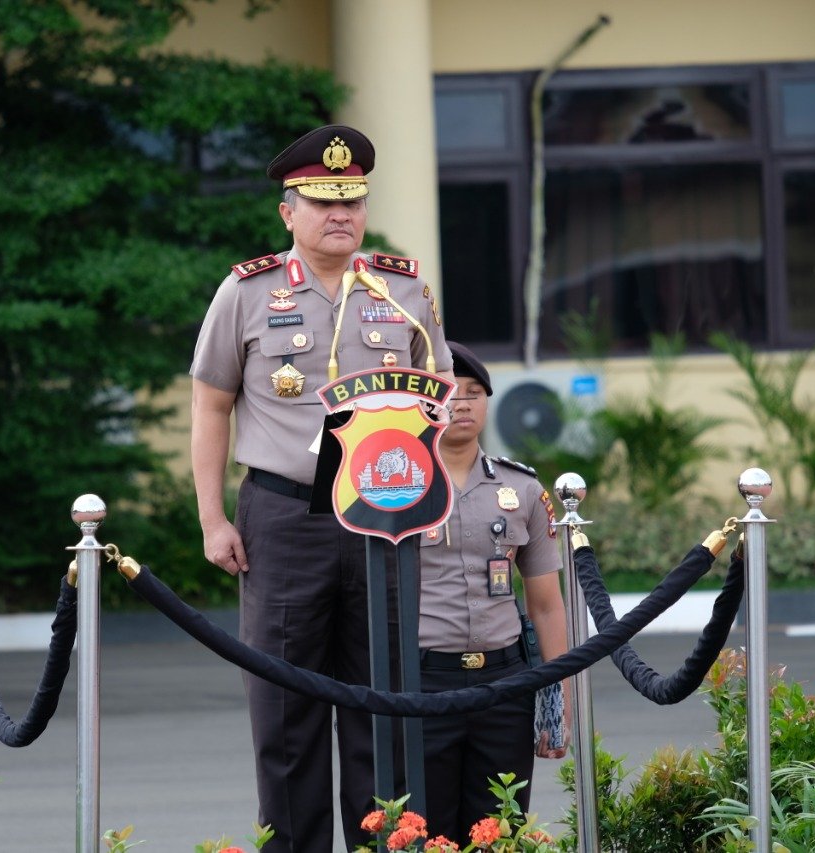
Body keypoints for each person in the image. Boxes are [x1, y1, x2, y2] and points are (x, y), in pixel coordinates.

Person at [189, 124, 453, 853]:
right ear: (288, 211)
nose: (340, 214)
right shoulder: (247, 292)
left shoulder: (400, 290)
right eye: (322, 201)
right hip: (285, 515)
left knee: (383, 702)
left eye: (352, 201)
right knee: (285, 709)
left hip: (384, 515)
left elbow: (439, 399)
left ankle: (383, 846)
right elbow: (211, 404)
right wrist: (212, 517)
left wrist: (437, 499)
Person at [417, 341, 570, 843]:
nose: (461, 404)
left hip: (505, 685)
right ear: (424, 401)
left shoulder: (522, 489)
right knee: (428, 830)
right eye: (448, 393)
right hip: (424, 682)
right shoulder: (396, 487)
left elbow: (546, 604)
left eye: (474, 393)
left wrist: (558, 699)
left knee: (500, 829)